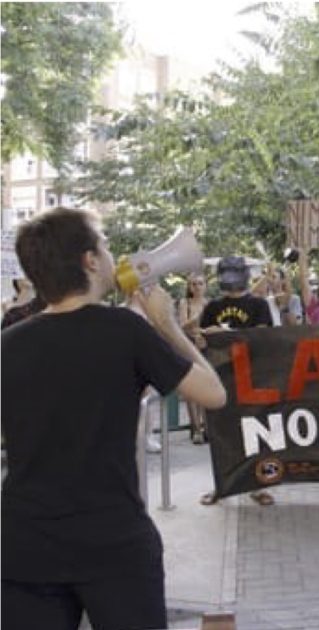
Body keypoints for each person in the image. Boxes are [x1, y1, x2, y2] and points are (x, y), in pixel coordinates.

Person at [1, 207, 226, 630]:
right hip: (113, 542)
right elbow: (213, 394)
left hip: (23, 545)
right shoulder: (126, 330)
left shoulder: (7, 345)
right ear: (89, 261)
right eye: (103, 246)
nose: (110, 256)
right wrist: (166, 324)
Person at [199, 255, 277, 507]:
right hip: (223, 378)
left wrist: (228, 335)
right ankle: (222, 486)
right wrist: (209, 335)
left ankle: (259, 485)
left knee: (258, 433)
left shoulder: (259, 305)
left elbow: (265, 339)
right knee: (223, 434)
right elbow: (203, 341)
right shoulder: (212, 307)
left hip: (253, 377)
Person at [177, 272, 210, 444]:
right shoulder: (185, 303)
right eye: (194, 284)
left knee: (205, 386)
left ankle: (206, 426)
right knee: (191, 388)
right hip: (189, 346)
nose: (197, 287)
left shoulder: (210, 304)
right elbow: (182, 326)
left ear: (206, 285)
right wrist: (196, 318)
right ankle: (195, 427)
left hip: (205, 345)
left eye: (200, 283)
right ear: (189, 287)